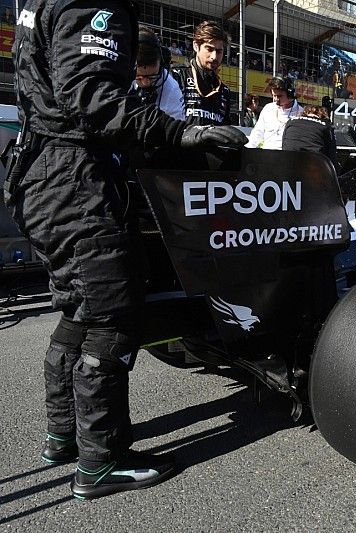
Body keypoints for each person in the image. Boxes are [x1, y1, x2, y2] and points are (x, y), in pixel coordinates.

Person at [8, 0, 247, 500]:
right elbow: (93, 99)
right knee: (112, 315)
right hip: (74, 176)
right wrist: (179, 133)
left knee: (79, 308)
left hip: (44, 173)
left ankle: (63, 437)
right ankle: (101, 460)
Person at [172, 21, 231, 126]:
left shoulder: (224, 90)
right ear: (196, 46)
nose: (214, 56)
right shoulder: (177, 76)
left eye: (219, 51)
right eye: (209, 49)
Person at [133, 28, 184, 120]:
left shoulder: (172, 89)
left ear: (161, 64)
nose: (145, 83)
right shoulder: (116, 75)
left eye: (152, 76)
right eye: (139, 77)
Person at [246, 76, 304, 149]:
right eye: (273, 95)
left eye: (279, 96)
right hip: (267, 155)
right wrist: (247, 149)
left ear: (290, 94)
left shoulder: (301, 113)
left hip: (288, 156)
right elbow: (257, 133)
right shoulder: (268, 108)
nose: (276, 99)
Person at [281, 105, 339, 171]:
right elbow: (332, 156)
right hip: (314, 168)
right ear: (323, 115)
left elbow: (284, 144)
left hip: (288, 165)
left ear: (305, 113)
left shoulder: (290, 121)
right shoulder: (326, 125)